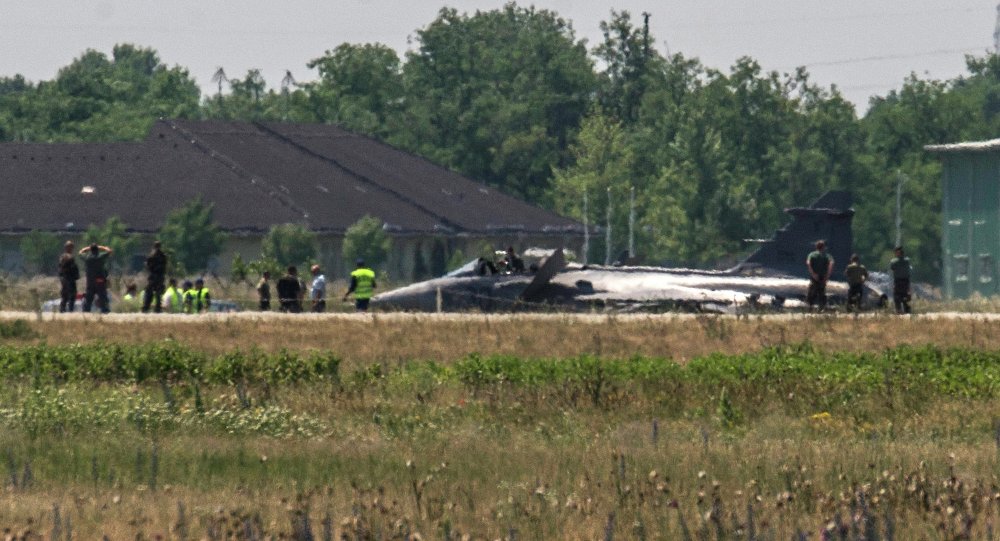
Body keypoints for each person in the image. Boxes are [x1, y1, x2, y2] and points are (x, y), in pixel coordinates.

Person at [80, 243, 113, 313]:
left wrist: (87, 248)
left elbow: (80, 253)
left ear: (91, 250)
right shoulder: (100, 257)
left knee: (89, 298)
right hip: (100, 280)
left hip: (90, 282)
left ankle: (86, 311)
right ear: (97, 250)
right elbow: (109, 251)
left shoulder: (87, 258)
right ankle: (105, 311)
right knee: (102, 297)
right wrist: (101, 247)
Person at [805, 240, 834, 311]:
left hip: (815, 277)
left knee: (812, 292)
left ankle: (810, 307)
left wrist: (813, 274)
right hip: (823, 277)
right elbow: (831, 263)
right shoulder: (827, 256)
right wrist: (827, 275)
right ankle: (821, 307)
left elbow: (808, 263)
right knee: (822, 292)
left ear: (816, 247)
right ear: (824, 247)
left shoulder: (812, 254)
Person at [141, 240, 167, 313]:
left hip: (153, 276)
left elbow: (148, 265)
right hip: (159, 276)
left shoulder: (152, 255)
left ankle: (146, 307)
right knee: (157, 293)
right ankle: (157, 308)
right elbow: (164, 267)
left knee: (150, 292)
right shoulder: (163, 256)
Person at [57, 241, 80, 313]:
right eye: (71, 247)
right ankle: (70, 310)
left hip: (64, 278)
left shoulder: (62, 257)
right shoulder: (69, 257)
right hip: (69, 278)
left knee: (65, 295)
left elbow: (60, 268)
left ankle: (62, 309)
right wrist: (76, 276)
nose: (72, 249)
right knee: (72, 294)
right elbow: (73, 268)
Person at [890, 246, 912, 314]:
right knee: (905, 294)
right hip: (906, 280)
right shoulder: (907, 260)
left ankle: (898, 309)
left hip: (898, 281)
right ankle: (906, 308)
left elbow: (892, 268)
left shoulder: (894, 261)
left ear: (898, 253)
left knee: (897, 295)